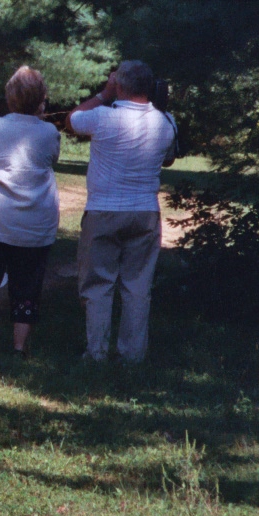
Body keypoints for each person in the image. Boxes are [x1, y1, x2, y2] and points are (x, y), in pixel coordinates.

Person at [68, 61, 177, 364]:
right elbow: (168, 159)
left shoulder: (102, 116)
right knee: (138, 286)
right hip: (145, 211)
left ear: (119, 84)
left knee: (98, 285)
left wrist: (104, 93)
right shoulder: (166, 122)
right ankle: (132, 355)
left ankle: (97, 352)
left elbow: (72, 119)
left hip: (104, 209)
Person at [0, 66, 60, 355]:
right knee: (27, 283)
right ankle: (19, 347)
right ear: (41, 99)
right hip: (35, 220)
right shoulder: (49, 132)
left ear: (10, 96)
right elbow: (52, 157)